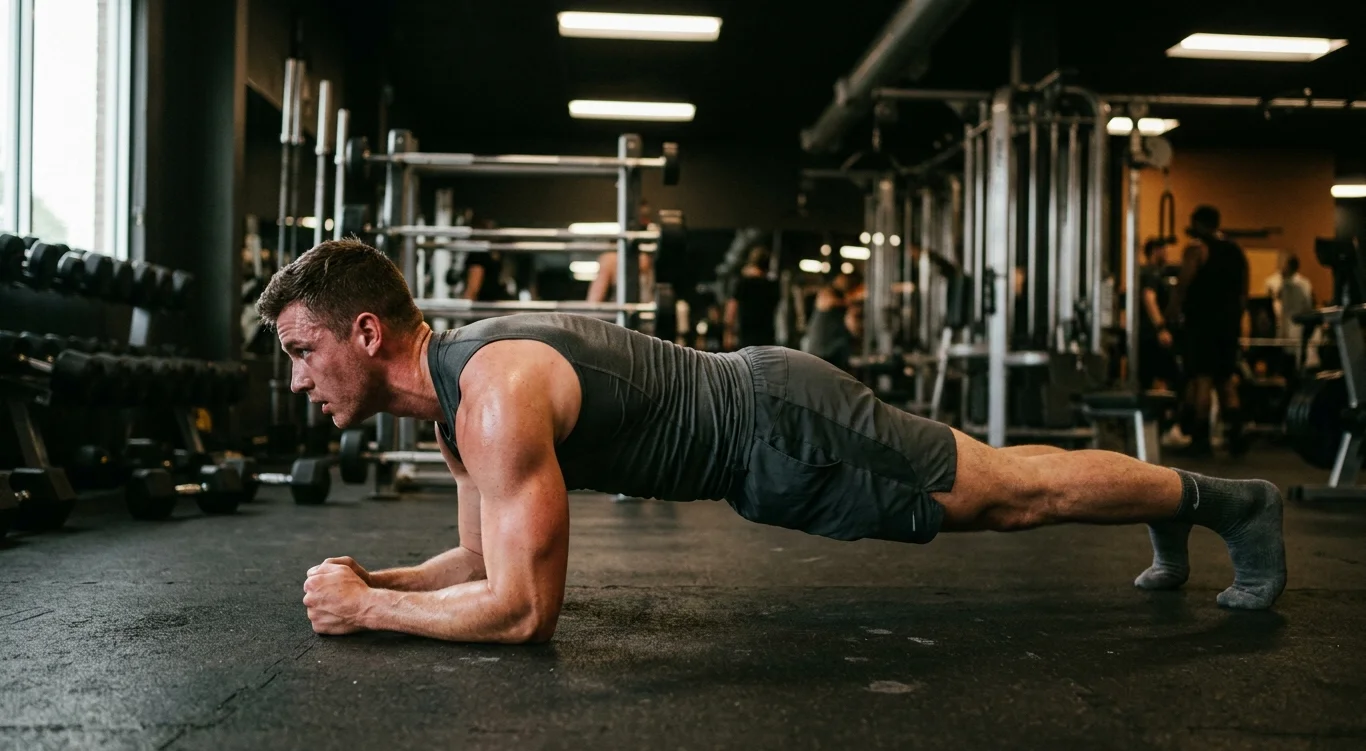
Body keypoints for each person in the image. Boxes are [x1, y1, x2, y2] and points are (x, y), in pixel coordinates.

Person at [261, 239, 1286, 644]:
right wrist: (378, 574)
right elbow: (480, 564)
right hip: (762, 463)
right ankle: (1175, 509)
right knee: (983, 504)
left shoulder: (491, 399)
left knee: (1010, 491)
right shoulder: (454, 410)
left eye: (304, 352)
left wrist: (369, 610)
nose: (299, 381)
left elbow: (524, 611)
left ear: (365, 332)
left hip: (780, 418)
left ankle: (1230, 502)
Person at [1170, 206, 1250, 456]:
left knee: (1202, 380)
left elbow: (1183, 284)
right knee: (1226, 381)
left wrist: (1170, 315)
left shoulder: (1196, 249)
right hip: (1227, 326)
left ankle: (1200, 440)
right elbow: (1244, 292)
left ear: (1200, 224)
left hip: (1202, 325)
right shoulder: (1236, 251)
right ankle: (1237, 437)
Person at [1138, 238, 1180, 391]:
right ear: (1155, 251)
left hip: (1147, 334)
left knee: (1149, 379)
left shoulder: (1147, 272)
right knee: (1168, 376)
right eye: (1164, 250)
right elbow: (1149, 297)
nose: (1167, 254)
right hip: (1152, 335)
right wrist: (1161, 328)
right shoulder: (1151, 272)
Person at [1264, 253, 1315, 374]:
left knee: (1294, 352)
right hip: (1280, 322)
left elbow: (1308, 305)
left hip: (1296, 322)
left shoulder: (1303, 284)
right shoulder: (1273, 282)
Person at [724, 246, 782, 350]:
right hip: (767, 335)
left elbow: (732, 309)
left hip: (746, 335)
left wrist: (728, 332)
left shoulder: (742, 283)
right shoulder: (772, 286)